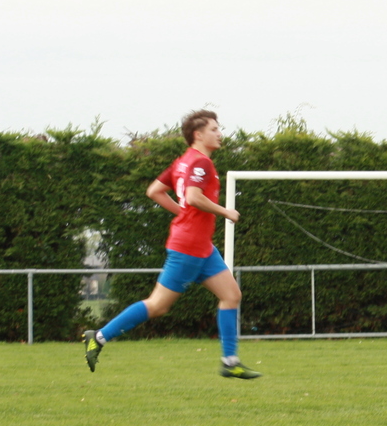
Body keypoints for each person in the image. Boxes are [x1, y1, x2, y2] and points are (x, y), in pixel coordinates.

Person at [83, 110, 260, 379]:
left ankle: (230, 361)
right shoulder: (201, 163)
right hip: (188, 247)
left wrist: (183, 213)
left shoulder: (182, 162)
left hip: (202, 247)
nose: (219, 134)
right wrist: (225, 211)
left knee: (231, 295)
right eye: (214, 129)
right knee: (158, 305)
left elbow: (154, 191)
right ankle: (98, 337)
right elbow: (194, 197)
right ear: (198, 135)